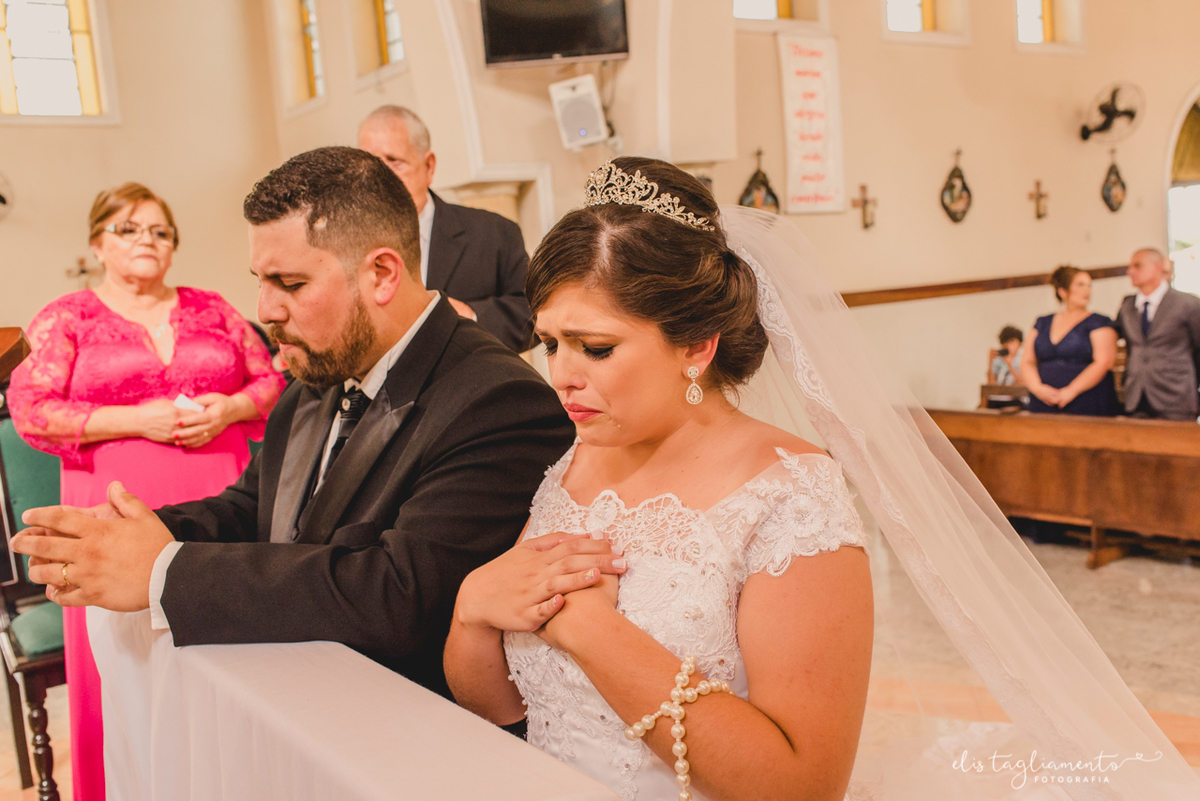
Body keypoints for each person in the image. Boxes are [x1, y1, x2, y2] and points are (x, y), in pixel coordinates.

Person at [446, 159, 1200, 801]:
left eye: (596, 347)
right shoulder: (576, 461)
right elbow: (506, 706)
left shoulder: (790, 494)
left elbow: (801, 786)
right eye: (549, 342)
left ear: (696, 345)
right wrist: (474, 608)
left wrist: (591, 630)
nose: (562, 374)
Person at [11, 148, 580, 795]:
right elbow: (251, 506)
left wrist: (164, 570)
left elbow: (400, 595)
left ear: (382, 273)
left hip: (396, 748)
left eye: (290, 283)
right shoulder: (320, 370)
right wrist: (132, 537)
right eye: (261, 280)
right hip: (291, 708)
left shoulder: (497, 398)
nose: (265, 309)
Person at [6, 182, 286, 801]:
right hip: (113, 503)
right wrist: (137, 419)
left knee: (226, 643)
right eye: (129, 229)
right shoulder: (67, 317)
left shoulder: (212, 308)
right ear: (96, 244)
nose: (147, 241)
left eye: (160, 231)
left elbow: (272, 381)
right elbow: (31, 410)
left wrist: (231, 407)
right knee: (125, 661)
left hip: (222, 495)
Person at [357, 105, 534, 351]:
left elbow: (533, 312)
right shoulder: (344, 240)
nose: (380, 179)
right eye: (370, 166)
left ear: (428, 166)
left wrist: (470, 316)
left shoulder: (494, 233)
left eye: (393, 161)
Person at [1115, 248, 1200, 420]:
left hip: (1176, 394)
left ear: (1158, 267)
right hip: (1136, 396)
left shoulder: (1188, 304)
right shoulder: (1127, 306)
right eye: (1130, 267)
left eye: (1137, 266)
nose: (1130, 272)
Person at [1021, 266, 1118, 415]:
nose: (1087, 290)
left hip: (1087, 400)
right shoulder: (1042, 323)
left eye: (1089, 285)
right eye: (1080, 285)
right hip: (1044, 402)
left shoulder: (1099, 322)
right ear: (1062, 291)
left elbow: (1104, 362)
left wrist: (1071, 391)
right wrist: (1038, 389)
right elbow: (1027, 361)